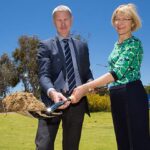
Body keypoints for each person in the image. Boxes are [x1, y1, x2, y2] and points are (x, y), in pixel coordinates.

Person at [71, 3, 150, 150]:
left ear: (132, 22)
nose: (119, 23)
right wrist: (96, 88)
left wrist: (87, 86)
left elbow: (116, 73)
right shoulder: (116, 46)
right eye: (117, 19)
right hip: (116, 94)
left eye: (125, 19)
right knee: (123, 141)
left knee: (138, 142)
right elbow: (113, 78)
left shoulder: (134, 43)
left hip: (132, 93)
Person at [35, 5, 93, 150]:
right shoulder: (45, 45)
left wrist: (90, 84)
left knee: (71, 146)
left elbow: (87, 73)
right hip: (52, 102)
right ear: (54, 22)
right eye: (59, 20)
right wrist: (53, 93)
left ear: (71, 20)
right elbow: (43, 75)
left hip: (77, 101)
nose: (63, 23)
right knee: (44, 145)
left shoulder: (82, 46)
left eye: (65, 19)